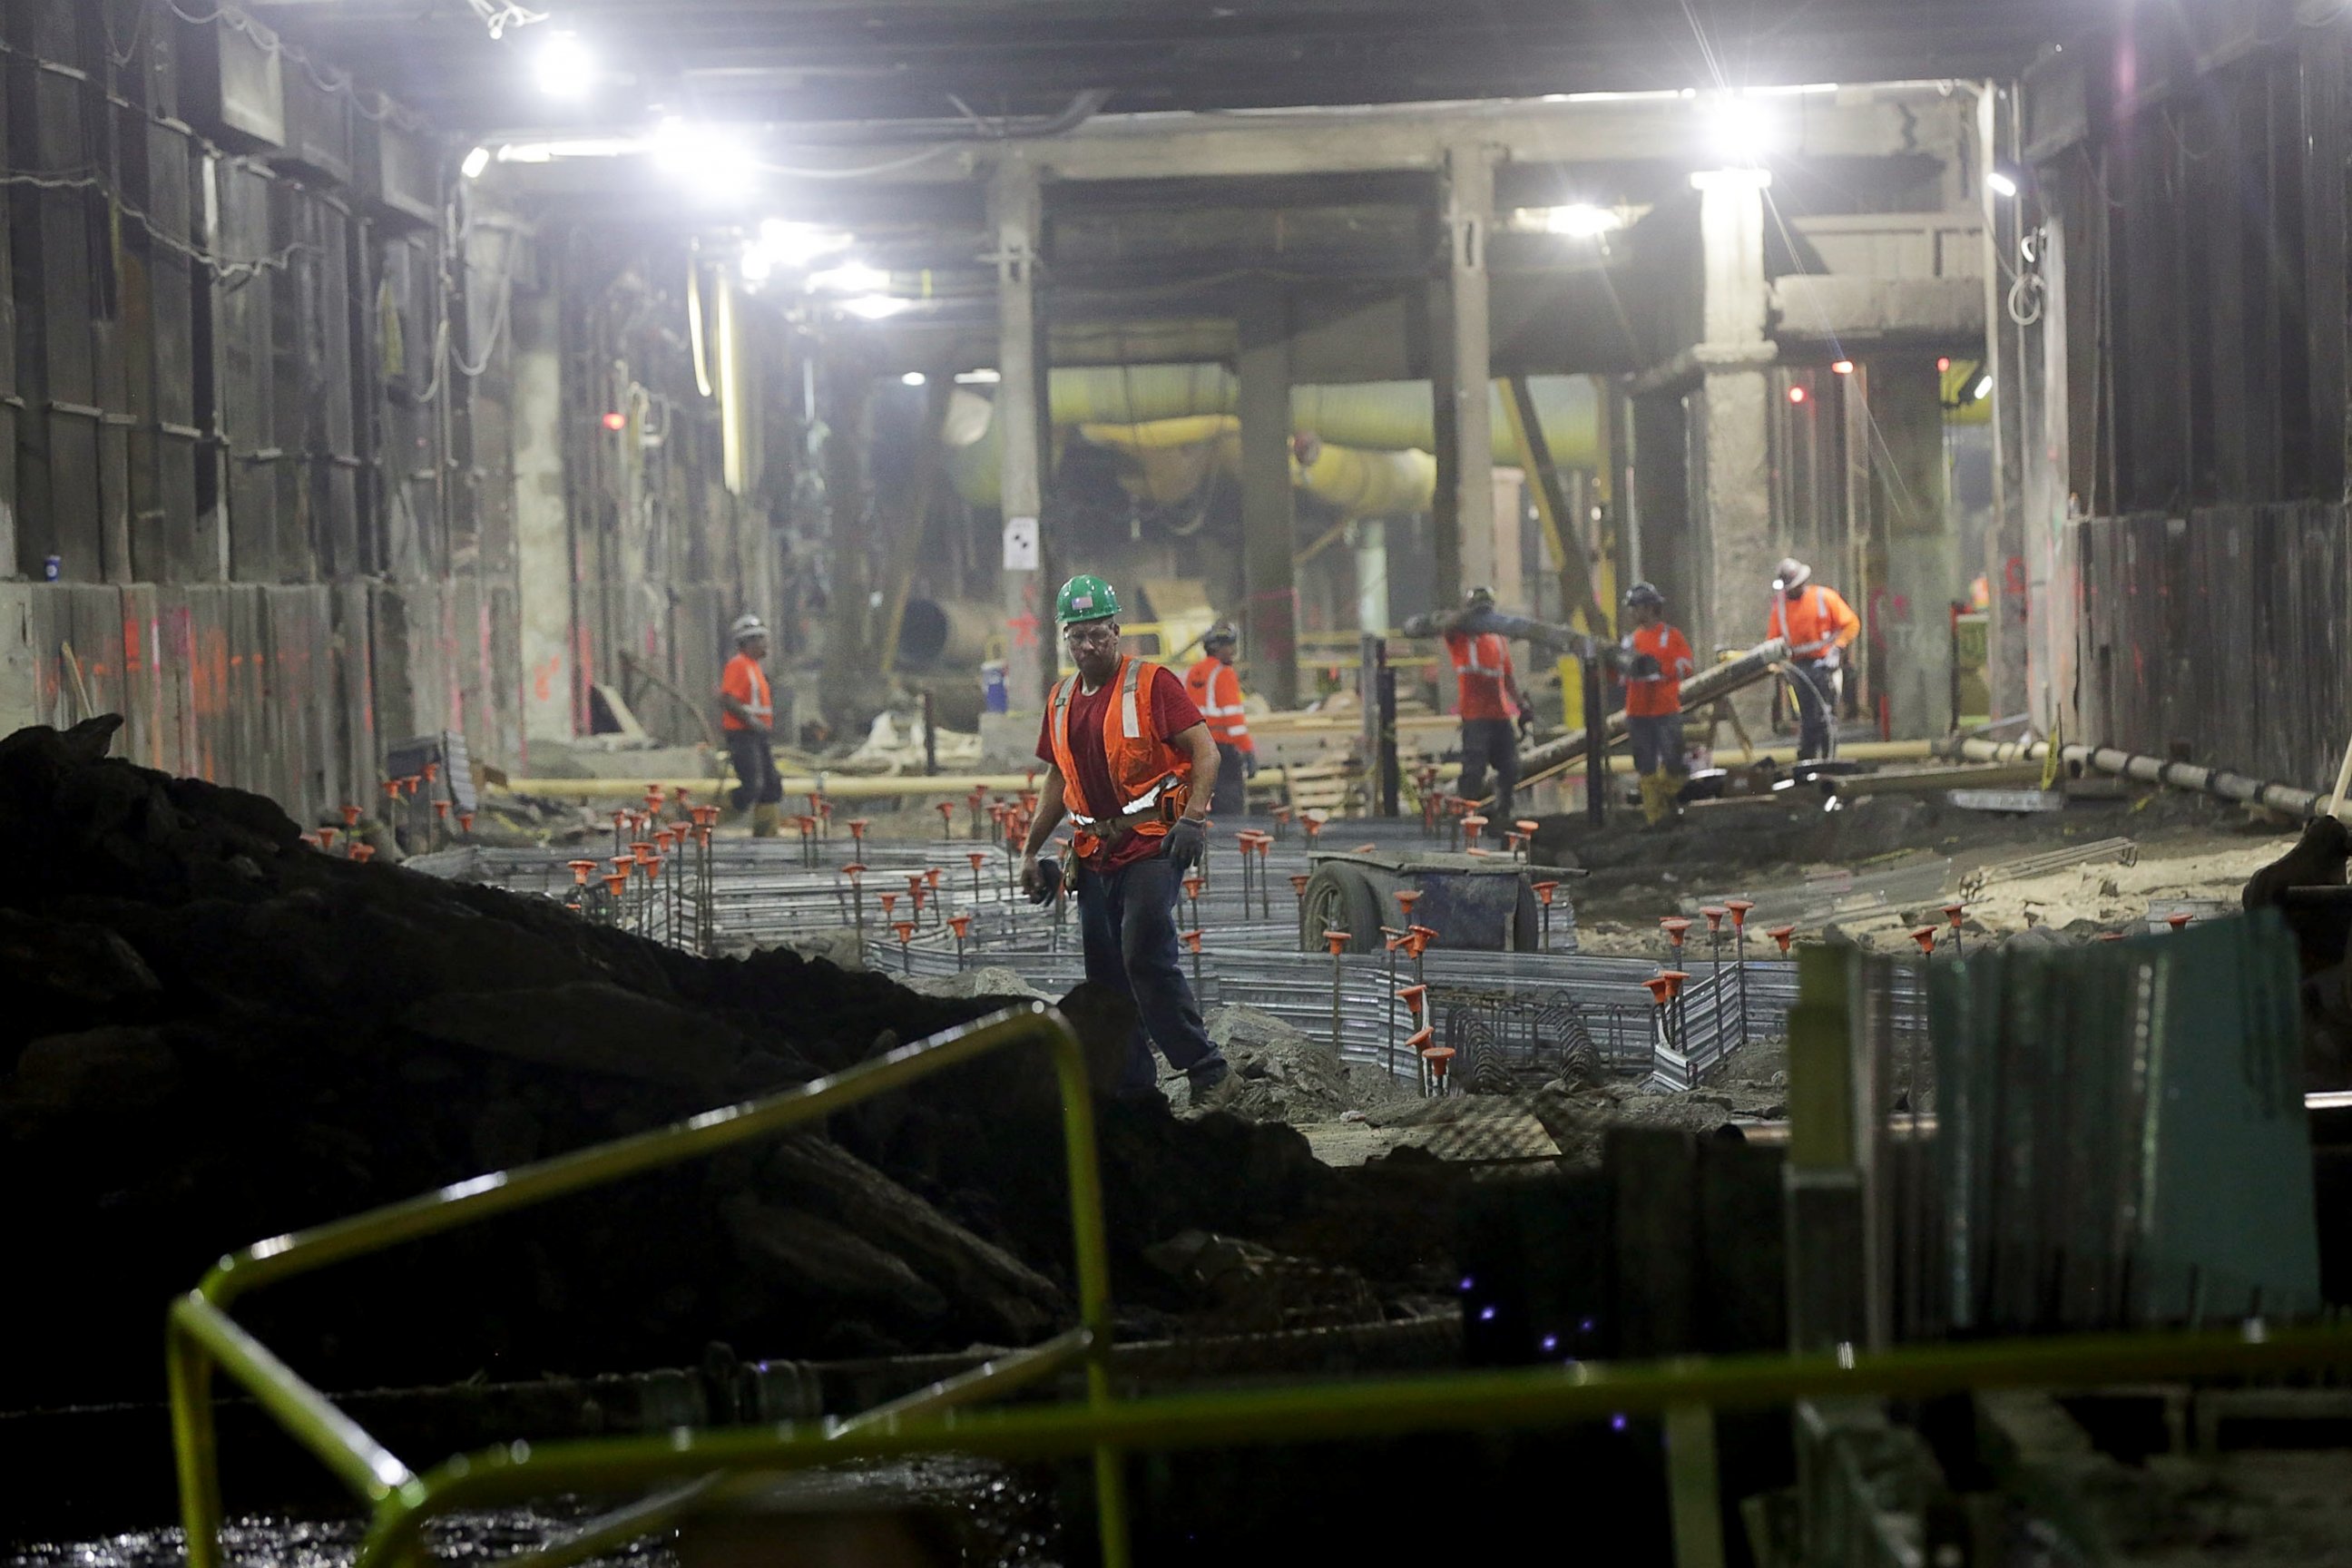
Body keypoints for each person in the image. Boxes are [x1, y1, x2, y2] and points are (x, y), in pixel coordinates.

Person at [1020, 574, 1230, 1101]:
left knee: (1143, 954)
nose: (1087, 647)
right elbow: (1056, 777)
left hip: (1155, 842)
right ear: (1064, 637)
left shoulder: (1153, 684)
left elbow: (1206, 752)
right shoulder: (1062, 698)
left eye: (1097, 634)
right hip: (1092, 851)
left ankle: (1208, 1071)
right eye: (1076, 637)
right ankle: (1134, 1090)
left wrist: (1195, 818)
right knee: (1107, 976)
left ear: (1117, 630)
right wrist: (1030, 850)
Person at [1416, 586, 1537, 818]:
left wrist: (1521, 704)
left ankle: (1503, 813)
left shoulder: (1498, 639)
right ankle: (1466, 817)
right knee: (1474, 771)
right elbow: (1446, 625)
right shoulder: (1460, 638)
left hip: (1500, 716)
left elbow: (1507, 678)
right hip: (1475, 717)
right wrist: (1468, 616)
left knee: (1510, 768)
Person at [1767, 556, 1859, 762]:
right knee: (1808, 719)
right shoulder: (1780, 606)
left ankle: (1829, 760)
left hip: (1826, 664)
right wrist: (1781, 666)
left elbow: (1851, 624)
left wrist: (1837, 649)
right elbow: (1773, 641)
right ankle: (1807, 762)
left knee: (1826, 716)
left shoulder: (1824, 597)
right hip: (1799, 668)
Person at [1620, 582, 1695, 826]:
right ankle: (1656, 819)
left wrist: (1662, 668)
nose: (1631, 613)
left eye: (1634, 607)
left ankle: (1664, 800)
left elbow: (1687, 666)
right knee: (1645, 765)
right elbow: (1620, 676)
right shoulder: (1630, 642)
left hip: (1665, 709)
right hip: (1638, 711)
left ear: (1649, 608)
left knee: (1674, 761)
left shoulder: (1670, 636)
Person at [1183, 622, 1258, 818]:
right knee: (1230, 808)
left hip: (1198, 749)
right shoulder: (1224, 674)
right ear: (1219, 648)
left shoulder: (1193, 673)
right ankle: (1230, 847)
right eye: (1231, 646)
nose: (1233, 652)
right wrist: (1248, 750)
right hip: (1222, 751)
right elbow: (1234, 722)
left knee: (1202, 804)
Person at [720, 613, 783, 836]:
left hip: (757, 735)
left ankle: (767, 834)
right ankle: (704, 819)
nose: (765, 645)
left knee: (771, 785)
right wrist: (752, 722)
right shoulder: (738, 665)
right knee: (752, 786)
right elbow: (728, 698)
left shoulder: (753, 667)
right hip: (743, 735)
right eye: (761, 640)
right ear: (748, 642)